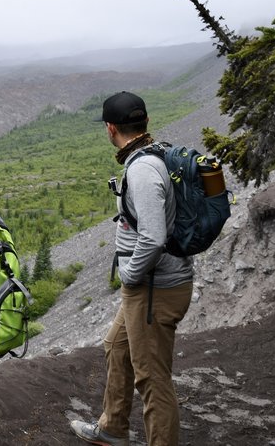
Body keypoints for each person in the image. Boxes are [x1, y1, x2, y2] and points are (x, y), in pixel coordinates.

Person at [70, 92, 194, 446]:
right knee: (116, 347)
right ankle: (112, 428)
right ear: (145, 124)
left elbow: (153, 238)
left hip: (155, 289)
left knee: (153, 380)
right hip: (153, 285)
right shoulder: (154, 155)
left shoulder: (141, 170)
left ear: (111, 128)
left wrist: (130, 275)